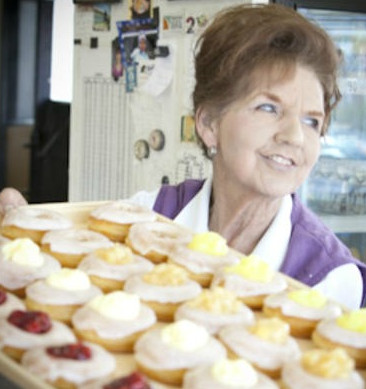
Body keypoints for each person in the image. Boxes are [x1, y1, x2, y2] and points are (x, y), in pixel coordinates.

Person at [1, 4, 365, 310]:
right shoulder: (150, 215)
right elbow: (69, 273)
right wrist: (18, 234)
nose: (294, 136)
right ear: (208, 123)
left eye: (311, 121)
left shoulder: (329, 276)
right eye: (269, 107)